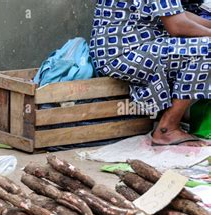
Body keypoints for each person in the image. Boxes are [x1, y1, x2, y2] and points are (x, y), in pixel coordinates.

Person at [90, 0, 210, 146]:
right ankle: (167, 129)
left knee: (199, 43)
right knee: (207, 49)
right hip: (122, 53)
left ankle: (174, 118)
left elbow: (180, 15)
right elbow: (177, 25)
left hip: (139, 46)